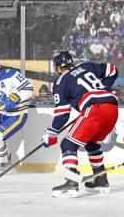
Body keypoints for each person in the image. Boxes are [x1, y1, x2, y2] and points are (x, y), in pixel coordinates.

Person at [41, 51, 118, 198]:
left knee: (68, 144)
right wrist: (103, 88)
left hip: (95, 110)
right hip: (112, 108)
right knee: (91, 142)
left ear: (58, 68)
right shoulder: (86, 65)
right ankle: (100, 179)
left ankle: (71, 182)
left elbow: (63, 113)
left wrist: (52, 132)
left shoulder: (60, 82)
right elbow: (113, 70)